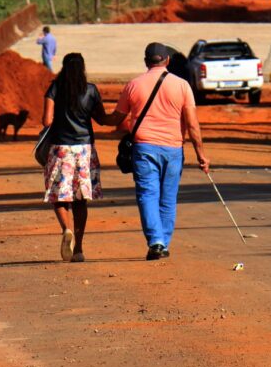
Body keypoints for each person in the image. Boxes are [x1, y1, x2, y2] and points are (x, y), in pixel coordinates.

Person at [107, 43, 209, 260]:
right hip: (173, 149)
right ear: (167, 60)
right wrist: (201, 155)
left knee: (147, 194)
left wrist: (94, 116)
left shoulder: (133, 85)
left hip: (144, 148)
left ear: (146, 61)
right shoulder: (182, 86)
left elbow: (116, 118)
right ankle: (163, 242)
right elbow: (192, 125)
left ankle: (156, 241)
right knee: (168, 199)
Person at [41, 53, 113, 263]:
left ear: (63, 68)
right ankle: (79, 249)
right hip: (84, 150)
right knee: (80, 199)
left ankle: (67, 229)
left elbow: (46, 120)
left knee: (59, 195)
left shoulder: (55, 88)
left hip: (60, 148)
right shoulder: (91, 90)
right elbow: (102, 119)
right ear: (82, 68)